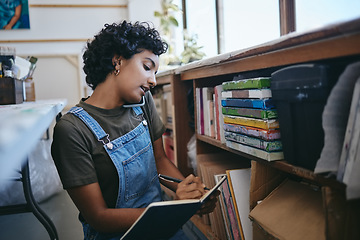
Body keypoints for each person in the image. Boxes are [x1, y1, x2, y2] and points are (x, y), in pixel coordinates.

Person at [51, 20, 219, 240]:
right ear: (117, 61)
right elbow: (98, 217)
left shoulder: (143, 102)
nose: (153, 80)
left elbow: (159, 159)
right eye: (147, 67)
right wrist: (169, 211)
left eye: (155, 72)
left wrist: (188, 194)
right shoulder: (72, 130)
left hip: (161, 225)